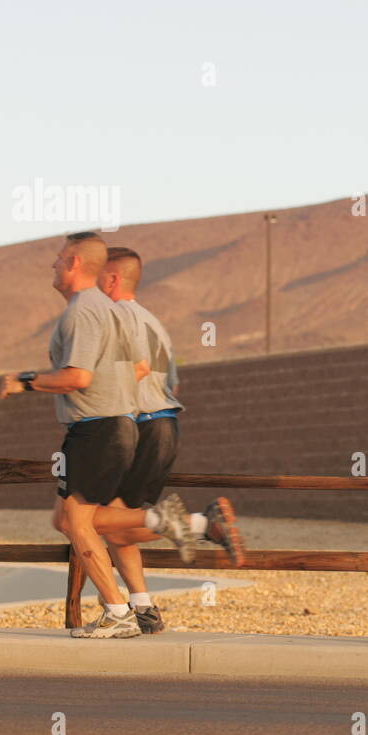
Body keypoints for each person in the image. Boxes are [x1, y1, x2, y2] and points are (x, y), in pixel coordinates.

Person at [93, 246, 245, 634]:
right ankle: (143, 607)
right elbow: (172, 381)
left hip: (140, 427)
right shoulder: (150, 320)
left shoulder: (117, 316)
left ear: (112, 278)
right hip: (159, 426)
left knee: (98, 522)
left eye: (97, 275)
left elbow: (138, 370)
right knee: (115, 522)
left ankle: (201, 523)